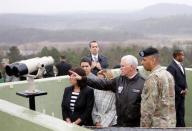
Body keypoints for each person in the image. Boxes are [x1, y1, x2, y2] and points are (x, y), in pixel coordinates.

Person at [70, 55, 145, 127]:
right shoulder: (119, 80)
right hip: (120, 125)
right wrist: (83, 79)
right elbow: (102, 83)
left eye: (123, 66)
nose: (120, 68)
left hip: (135, 126)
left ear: (131, 67)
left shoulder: (143, 83)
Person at [139, 47, 176, 127]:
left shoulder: (153, 78)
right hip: (170, 124)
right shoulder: (168, 75)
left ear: (153, 60)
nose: (142, 63)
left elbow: (148, 108)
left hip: (156, 126)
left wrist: (144, 127)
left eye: (144, 60)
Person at [167, 49, 188, 127]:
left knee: (181, 114)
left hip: (182, 96)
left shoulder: (182, 65)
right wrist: (180, 91)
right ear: (176, 56)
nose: (183, 56)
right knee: (175, 116)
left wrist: (186, 88)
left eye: (183, 55)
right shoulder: (171, 67)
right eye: (182, 55)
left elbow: (184, 78)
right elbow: (171, 82)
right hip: (175, 97)